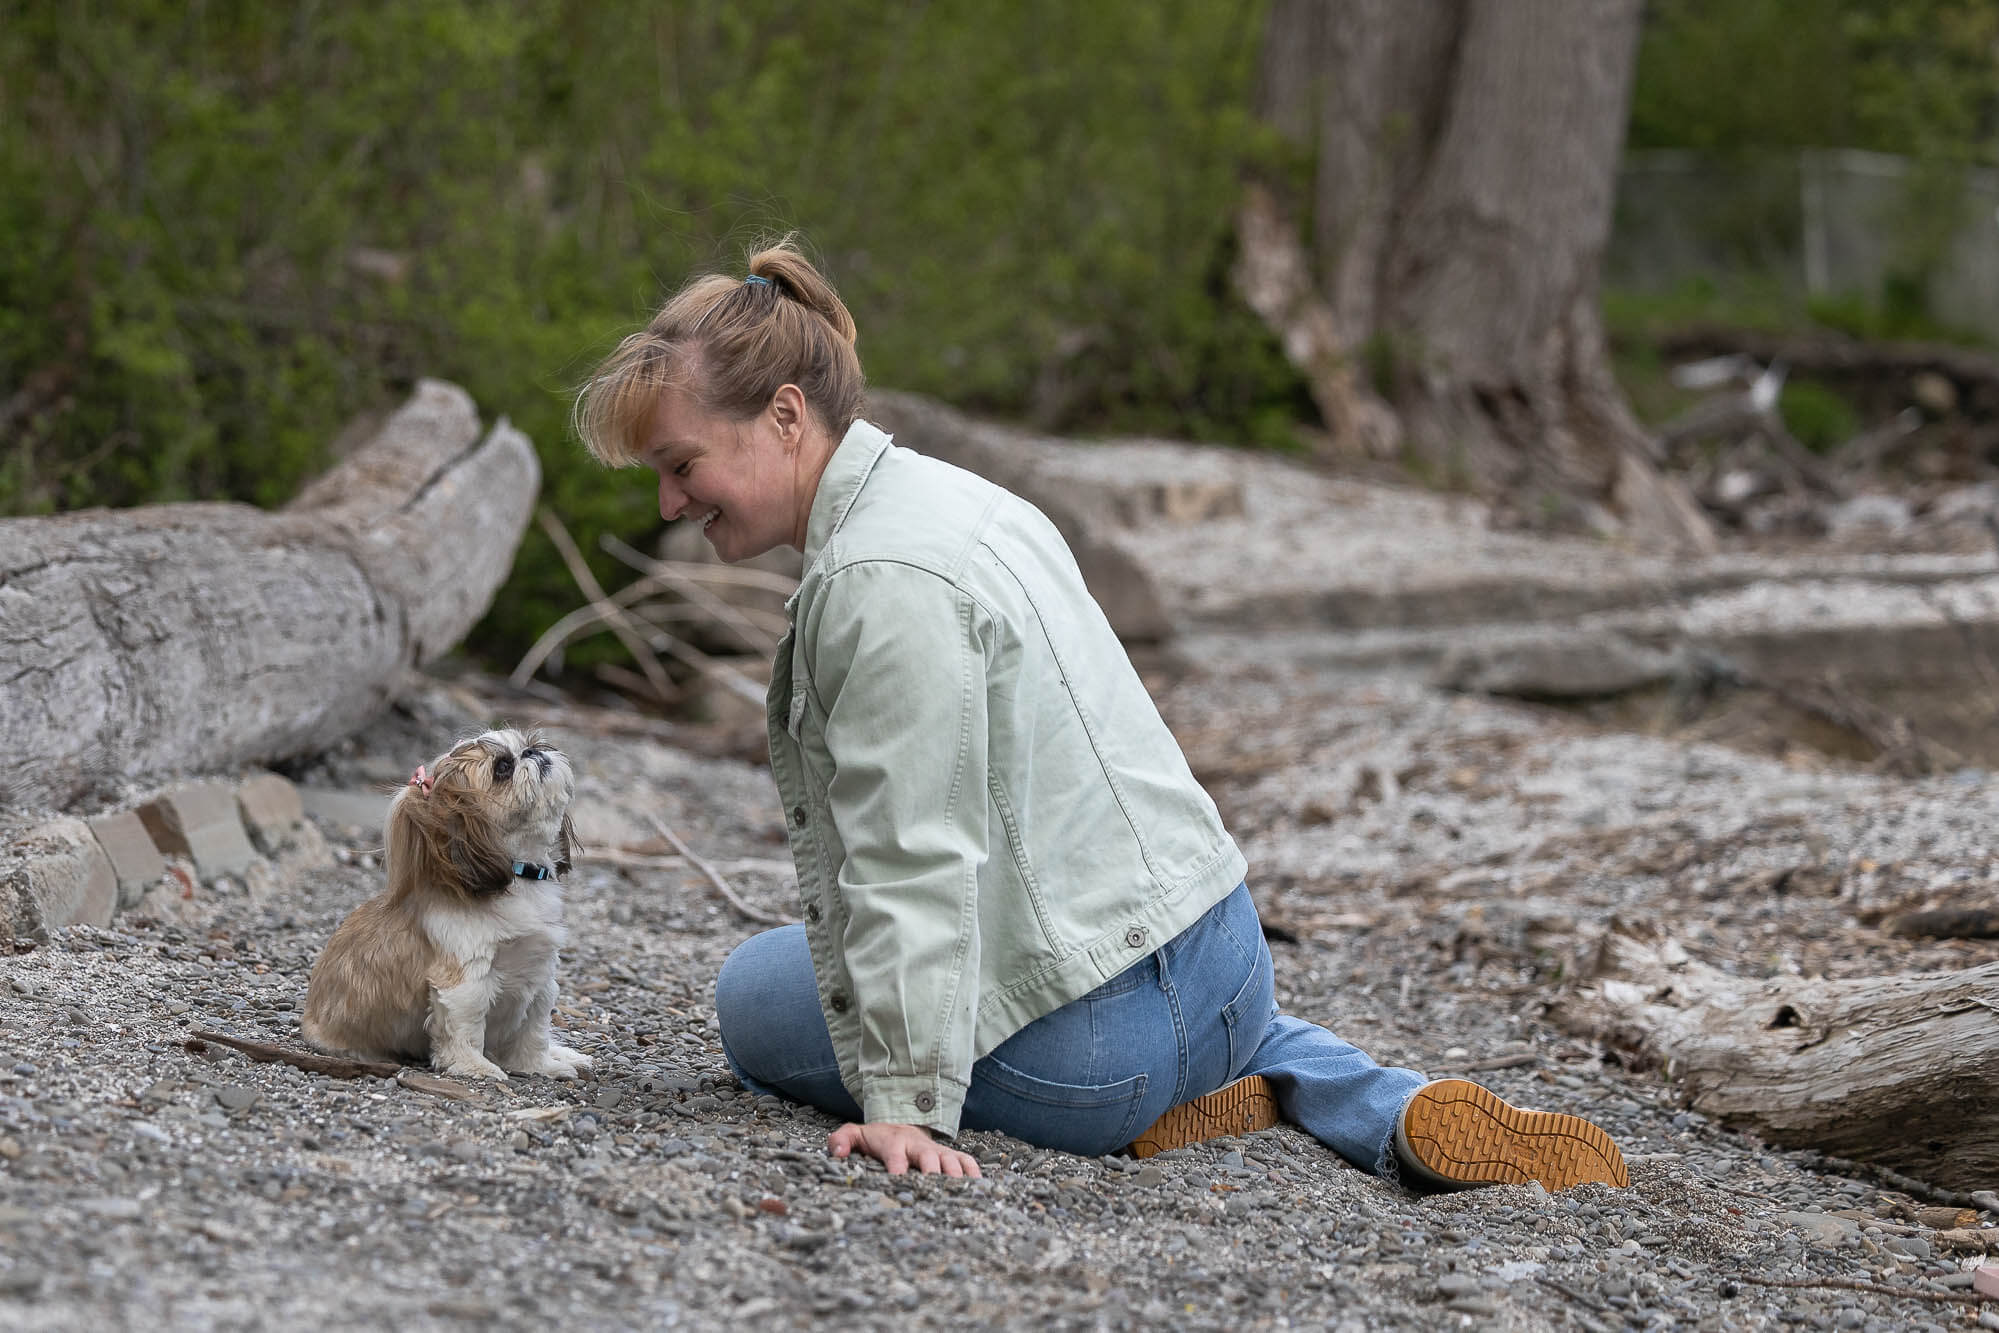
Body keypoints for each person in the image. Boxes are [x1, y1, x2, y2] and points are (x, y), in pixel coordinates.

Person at [573, 239, 1628, 1190]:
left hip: (1100, 1053)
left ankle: (1144, 1099)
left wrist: (904, 1105)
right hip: (1225, 957)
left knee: (757, 992)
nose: (670, 502)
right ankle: (1364, 1099)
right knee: (1039, 976)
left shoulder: (880, 578)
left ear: (786, 415)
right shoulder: (966, 499)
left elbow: (913, 857)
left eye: (681, 465)